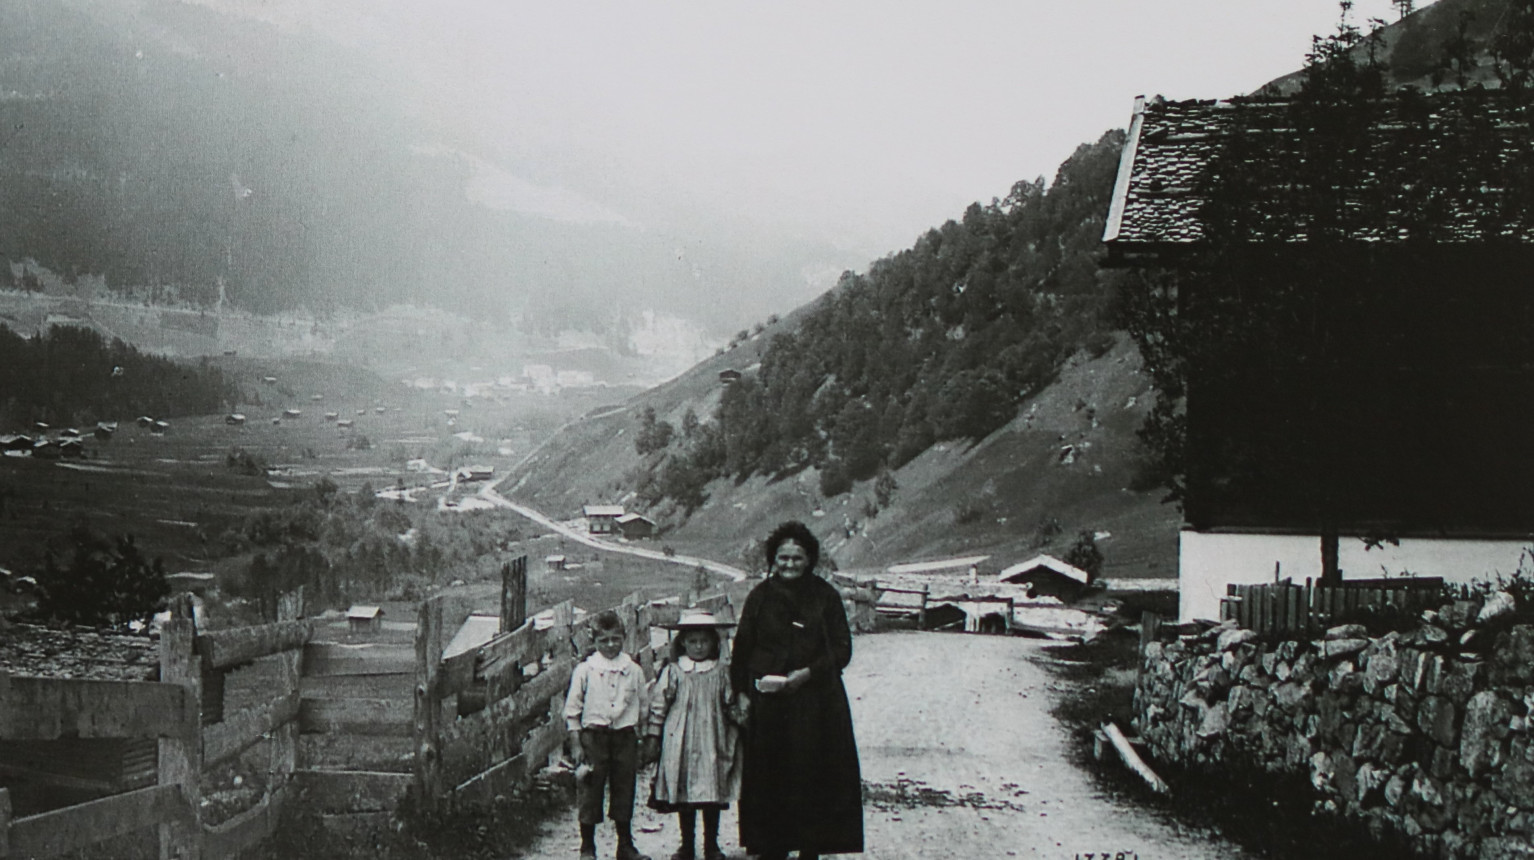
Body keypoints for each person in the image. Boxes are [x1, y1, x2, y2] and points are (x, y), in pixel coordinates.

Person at [730, 521, 864, 859]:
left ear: (810, 560)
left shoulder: (825, 596)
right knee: (768, 776)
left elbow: (842, 649)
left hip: (817, 704)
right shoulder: (759, 597)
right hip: (769, 704)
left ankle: (811, 848)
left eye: (797, 558)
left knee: (812, 775)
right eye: (782, 558)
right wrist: (742, 693)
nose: (789, 564)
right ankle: (771, 847)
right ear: (773, 559)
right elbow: (742, 650)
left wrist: (807, 674)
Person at [643, 609, 743, 860]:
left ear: (714, 643)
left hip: (712, 736)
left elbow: (731, 703)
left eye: (705, 641)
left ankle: (712, 845)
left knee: (711, 791)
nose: (699, 647)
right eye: (693, 641)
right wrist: (654, 736)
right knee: (684, 791)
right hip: (680, 739)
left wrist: (741, 718)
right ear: (683, 643)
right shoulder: (674, 671)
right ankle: (687, 845)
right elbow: (659, 706)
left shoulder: (722, 672)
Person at [564, 610, 653, 860]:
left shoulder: (633, 670)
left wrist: (643, 736)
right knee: (590, 791)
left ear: (624, 637)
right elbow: (573, 709)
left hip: (624, 737)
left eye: (616, 639)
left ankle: (625, 846)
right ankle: (587, 847)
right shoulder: (586, 670)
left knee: (624, 788)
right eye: (604, 640)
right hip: (594, 738)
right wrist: (576, 742)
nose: (611, 645)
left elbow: (643, 704)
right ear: (594, 641)